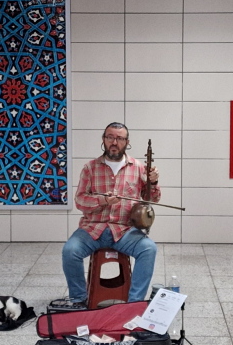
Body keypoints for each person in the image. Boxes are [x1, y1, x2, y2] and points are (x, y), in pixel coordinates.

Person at [57, 122, 161, 308]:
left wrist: (153, 183)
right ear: (103, 140)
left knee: (149, 249)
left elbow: (151, 199)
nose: (114, 142)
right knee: (70, 251)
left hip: (125, 230)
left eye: (120, 138)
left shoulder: (138, 167)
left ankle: (134, 303)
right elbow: (80, 201)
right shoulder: (90, 168)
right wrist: (102, 201)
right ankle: (79, 300)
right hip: (92, 228)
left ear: (127, 142)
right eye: (110, 137)